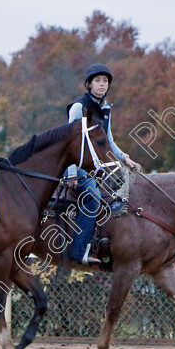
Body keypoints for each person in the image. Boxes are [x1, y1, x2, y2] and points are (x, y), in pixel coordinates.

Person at [65, 63, 142, 264]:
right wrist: (72, 173)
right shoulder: (78, 107)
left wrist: (126, 159)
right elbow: (69, 142)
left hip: (97, 166)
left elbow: (109, 142)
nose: (102, 84)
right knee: (93, 196)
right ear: (89, 84)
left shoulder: (106, 109)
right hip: (76, 165)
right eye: (97, 80)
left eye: (105, 81)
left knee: (127, 189)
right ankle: (78, 252)